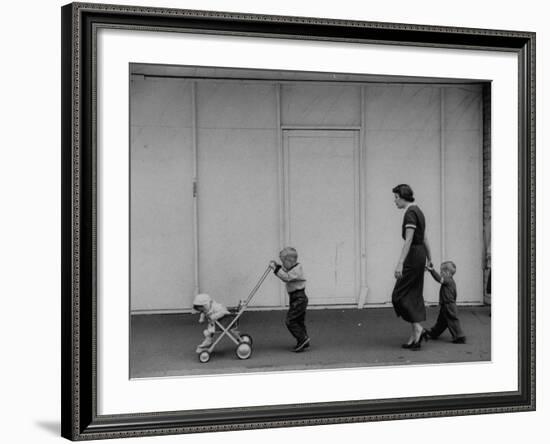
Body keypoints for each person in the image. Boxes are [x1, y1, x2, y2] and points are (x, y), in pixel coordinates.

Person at [391, 184, 432, 350]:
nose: (394, 201)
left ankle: (418, 329)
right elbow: (425, 238)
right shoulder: (419, 211)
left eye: (396, 197)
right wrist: (429, 258)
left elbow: (409, 240)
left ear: (402, 196)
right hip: (420, 255)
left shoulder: (410, 213)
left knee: (398, 295)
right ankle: (415, 334)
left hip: (413, 256)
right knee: (412, 294)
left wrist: (400, 262)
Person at [270, 247, 310, 352]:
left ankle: (302, 339)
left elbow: (286, 277)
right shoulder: (292, 268)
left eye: (283, 262)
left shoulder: (297, 269)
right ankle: (304, 339)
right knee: (299, 321)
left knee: (290, 321)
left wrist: (276, 269)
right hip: (295, 297)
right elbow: (284, 271)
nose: (283, 265)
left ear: (290, 261)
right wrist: (277, 266)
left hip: (299, 298)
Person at [424, 261, 466, 344]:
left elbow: (439, 279)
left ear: (447, 272)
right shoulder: (451, 282)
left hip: (448, 305)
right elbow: (454, 294)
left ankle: (459, 336)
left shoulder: (448, 281)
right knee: (442, 322)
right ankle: (434, 332)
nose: (440, 273)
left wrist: (432, 271)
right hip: (446, 305)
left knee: (452, 320)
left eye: (441, 272)